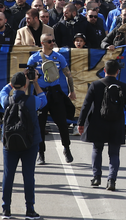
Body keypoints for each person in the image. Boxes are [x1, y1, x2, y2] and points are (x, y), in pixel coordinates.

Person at [77, 60, 126, 191]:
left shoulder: (95, 85)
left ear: (104, 70)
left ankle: (96, 177)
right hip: (116, 124)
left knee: (97, 149)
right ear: (117, 72)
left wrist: (80, 123)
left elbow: (86, 105)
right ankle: (111, 180)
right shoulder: (123, 86)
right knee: (114, 153)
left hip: (98, 123)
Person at [0, 71, 47, 220]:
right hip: (30, 143)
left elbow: (2, 91)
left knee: (8, 175)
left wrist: (11, 83)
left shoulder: (7, 100)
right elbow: (44, 100)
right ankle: (30, 209)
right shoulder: (32, 101)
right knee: (28, 176)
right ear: (26, 85)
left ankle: (6, 210)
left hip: (9, 143)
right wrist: (35, 82)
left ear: (13, 85)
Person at [27, 33, 76, 165]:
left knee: (62, 123)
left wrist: (72, 90)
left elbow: (68, 74)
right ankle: (41, 153)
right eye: (49, 41)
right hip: (40, 93)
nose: (52, 43)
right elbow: (29, 76)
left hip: (55, 92)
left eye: (53, 41)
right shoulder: (34, 58)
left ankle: (67, 148)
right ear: (42, 43)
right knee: (40, 125)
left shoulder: (58, 57)